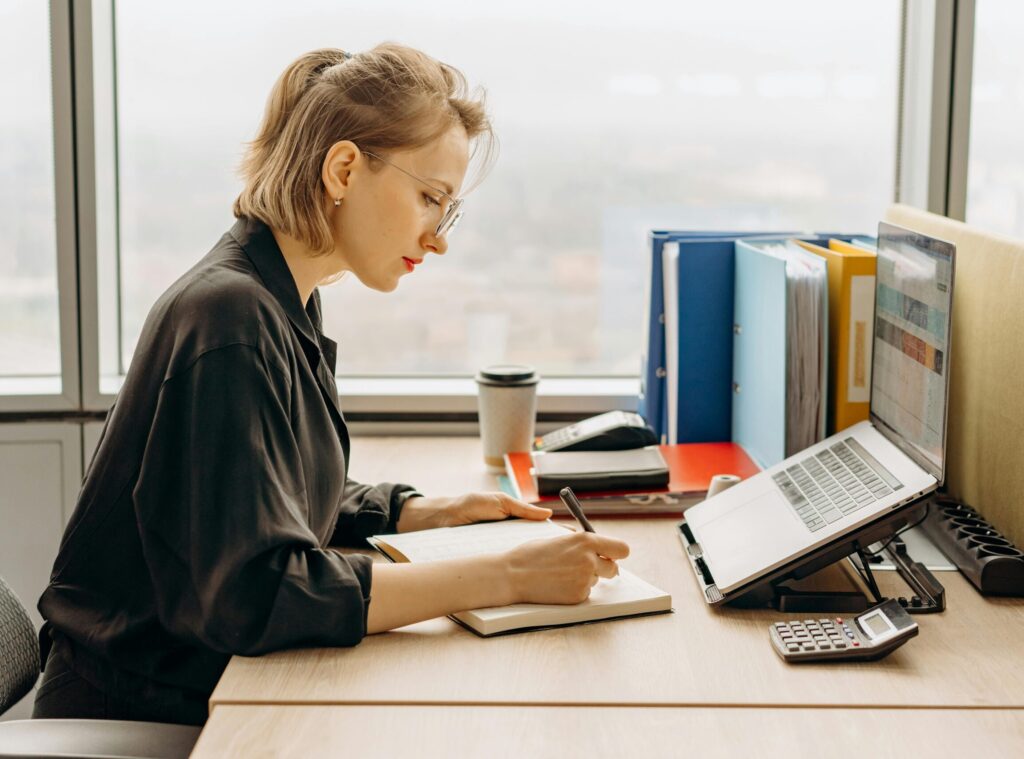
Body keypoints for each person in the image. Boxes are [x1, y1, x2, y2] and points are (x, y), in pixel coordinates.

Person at [33, 43, 629, 727]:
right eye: (430, 197)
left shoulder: (280, 297)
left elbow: (251, 489)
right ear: (344, 168)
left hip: (188, 690)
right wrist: (511, 576)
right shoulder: (232, 315)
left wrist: (411, 511)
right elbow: (257, 595)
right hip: (142, 714)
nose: (438, 239)